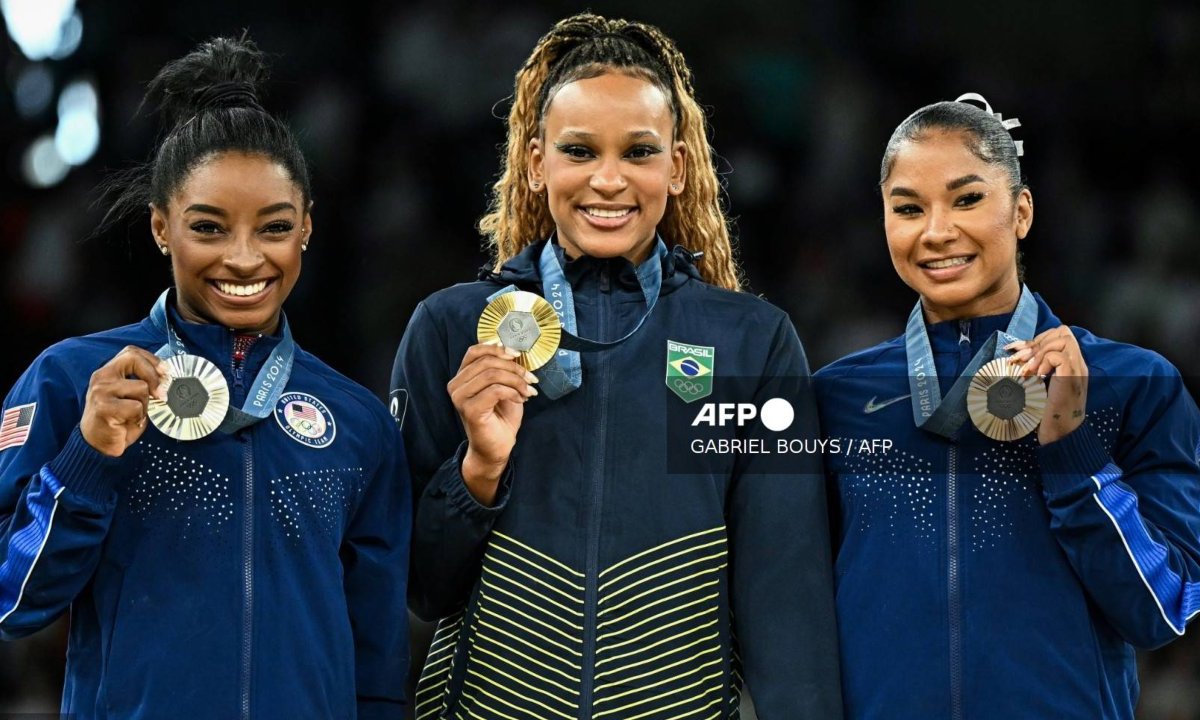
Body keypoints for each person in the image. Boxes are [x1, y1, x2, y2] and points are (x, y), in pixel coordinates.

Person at [391, 12, 841, 719]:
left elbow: (786, 597)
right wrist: (476, 472)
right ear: (536, 164)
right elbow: (419, 587)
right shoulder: (451, 330)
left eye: (638, 152)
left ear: (678, 166)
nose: (608, 180)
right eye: (579, 151)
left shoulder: (752, 344)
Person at [0, 37, 410, 719]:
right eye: (209, 228)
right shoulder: (72, 381)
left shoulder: (358, 422)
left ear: (306, 228)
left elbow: (376, 664)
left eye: (273, 227)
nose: (245, 259)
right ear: (162, 227)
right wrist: (87, 458)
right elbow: (13, 599)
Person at [815, 94, 1200, 719]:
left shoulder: (1136, 385)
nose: (937, 231)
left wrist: (1073, 454)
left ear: (1021, 212)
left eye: (968, 199)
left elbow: (1165, 607)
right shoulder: (835, 397)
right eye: (908, 208)